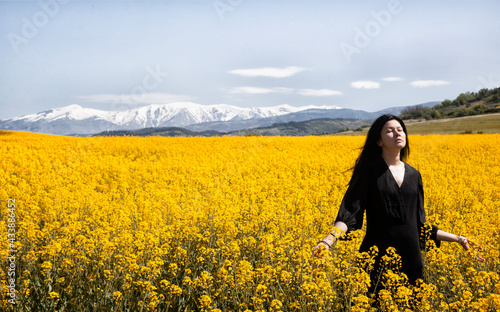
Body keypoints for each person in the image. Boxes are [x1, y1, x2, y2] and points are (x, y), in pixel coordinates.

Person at [312, 114, 484, 292]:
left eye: (400, 130)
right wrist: (326, 242)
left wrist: (458, 239)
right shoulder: (368, 172)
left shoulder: (414, 175)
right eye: (390, 131)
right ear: (379, 141)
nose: (397, 133)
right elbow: (349, 213)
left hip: (411, 257)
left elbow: (420, 225)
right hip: (376, 255)